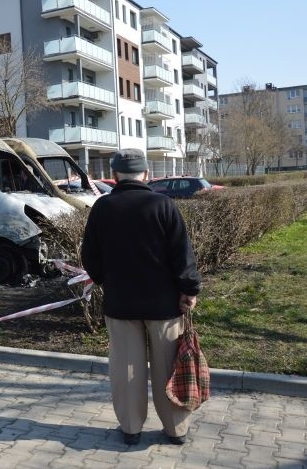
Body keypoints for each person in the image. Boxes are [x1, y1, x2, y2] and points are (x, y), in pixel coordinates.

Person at [81, 148, 200, 446]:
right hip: (164, 305)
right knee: (169, 367)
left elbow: (90, 257)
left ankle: (131, 428)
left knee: (126, 369)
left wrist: (105, 280)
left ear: (116, 175)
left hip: (120, 303)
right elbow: (181, 253)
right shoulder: (163, 204)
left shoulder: (102, 208)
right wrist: (189, 289)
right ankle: (176, 430)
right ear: (147, 174)